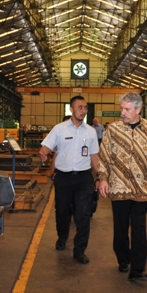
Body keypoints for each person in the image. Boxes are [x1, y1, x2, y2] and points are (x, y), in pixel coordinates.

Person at [97, 92, 147, 281]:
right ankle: (123, 259)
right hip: (118, 187)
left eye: (127, 109)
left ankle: (138, 269)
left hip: (143, 188)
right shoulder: (113, 129)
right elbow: (104, 155)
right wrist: (103, 178)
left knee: (139, 228)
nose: (123, 112)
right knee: (120, 228)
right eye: (122, 109)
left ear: (138, 109)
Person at [39, 96, 99, 264]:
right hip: (63, 177)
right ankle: (62, 236)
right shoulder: (59, 129)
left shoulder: (91, 131)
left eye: (85, 107)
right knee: (62, 211)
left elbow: (94, 157)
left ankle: (79, 250)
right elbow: (46, 147)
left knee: (83, 214)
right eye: (80, 107)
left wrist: (100, 176)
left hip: (83, 177)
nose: (83, 110)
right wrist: (43, 152)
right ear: (71, 109)